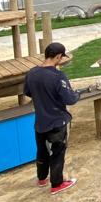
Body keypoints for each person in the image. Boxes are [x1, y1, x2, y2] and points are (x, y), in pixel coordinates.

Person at [23, 42, 80, 193]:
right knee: (58, 151)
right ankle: (57, 184)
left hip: (40, 120)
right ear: (58, 57)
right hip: (57, 120)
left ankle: (42, 178)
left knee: (42, 150)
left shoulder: (32, 73)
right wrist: (77, 94)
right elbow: (70, 99)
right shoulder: (57, 76)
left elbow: (27, 92)